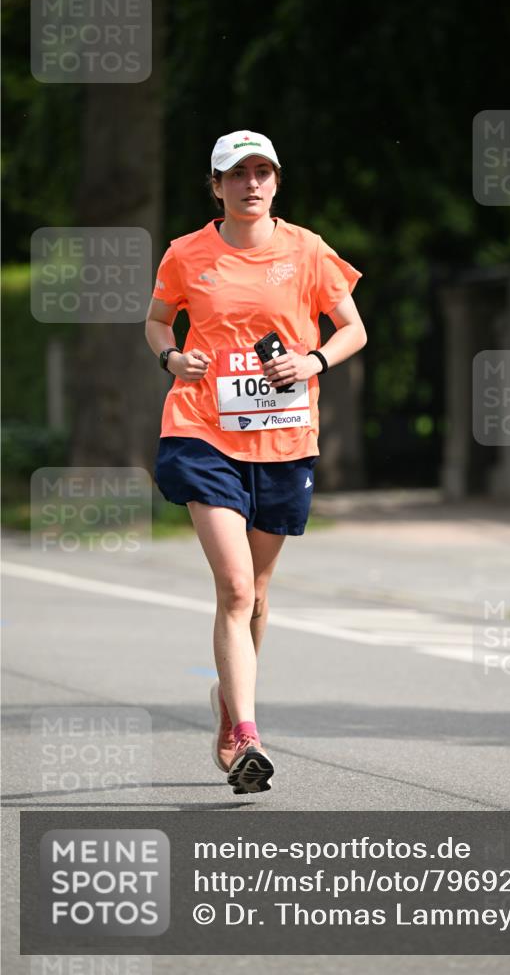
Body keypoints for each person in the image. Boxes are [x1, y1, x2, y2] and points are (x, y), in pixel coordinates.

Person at [145, 129, 366, 795]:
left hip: (283, 440)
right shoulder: (187, 254)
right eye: (236, 174)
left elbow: (352, 327)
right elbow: (157, 322)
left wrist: (313, 359)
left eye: (261, 172)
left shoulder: (307, 251)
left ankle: (225, 706)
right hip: (202, 431)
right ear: (215, 186)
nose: (250, 184)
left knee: (259, 595)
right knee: (236, 588)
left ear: (275, 181)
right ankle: (246, 732)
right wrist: (169, 357)